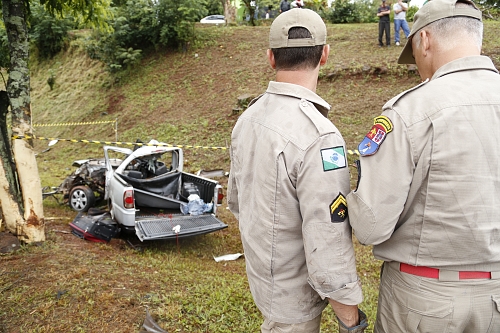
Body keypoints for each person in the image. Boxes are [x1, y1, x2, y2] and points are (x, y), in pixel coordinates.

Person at [347, 0, 500, 332]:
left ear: (426, 40)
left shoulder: (409, 113)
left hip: (426, 300)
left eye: (414, 52)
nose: (416, 62)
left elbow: (371, 227)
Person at [228, 8, 368, 333]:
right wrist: (351, 322)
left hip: (264, 284)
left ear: (271, 58)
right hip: (296, 303)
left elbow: (238, 203)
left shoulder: (247, 119)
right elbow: (328, 240)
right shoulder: (320, 136)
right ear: (325, 55)